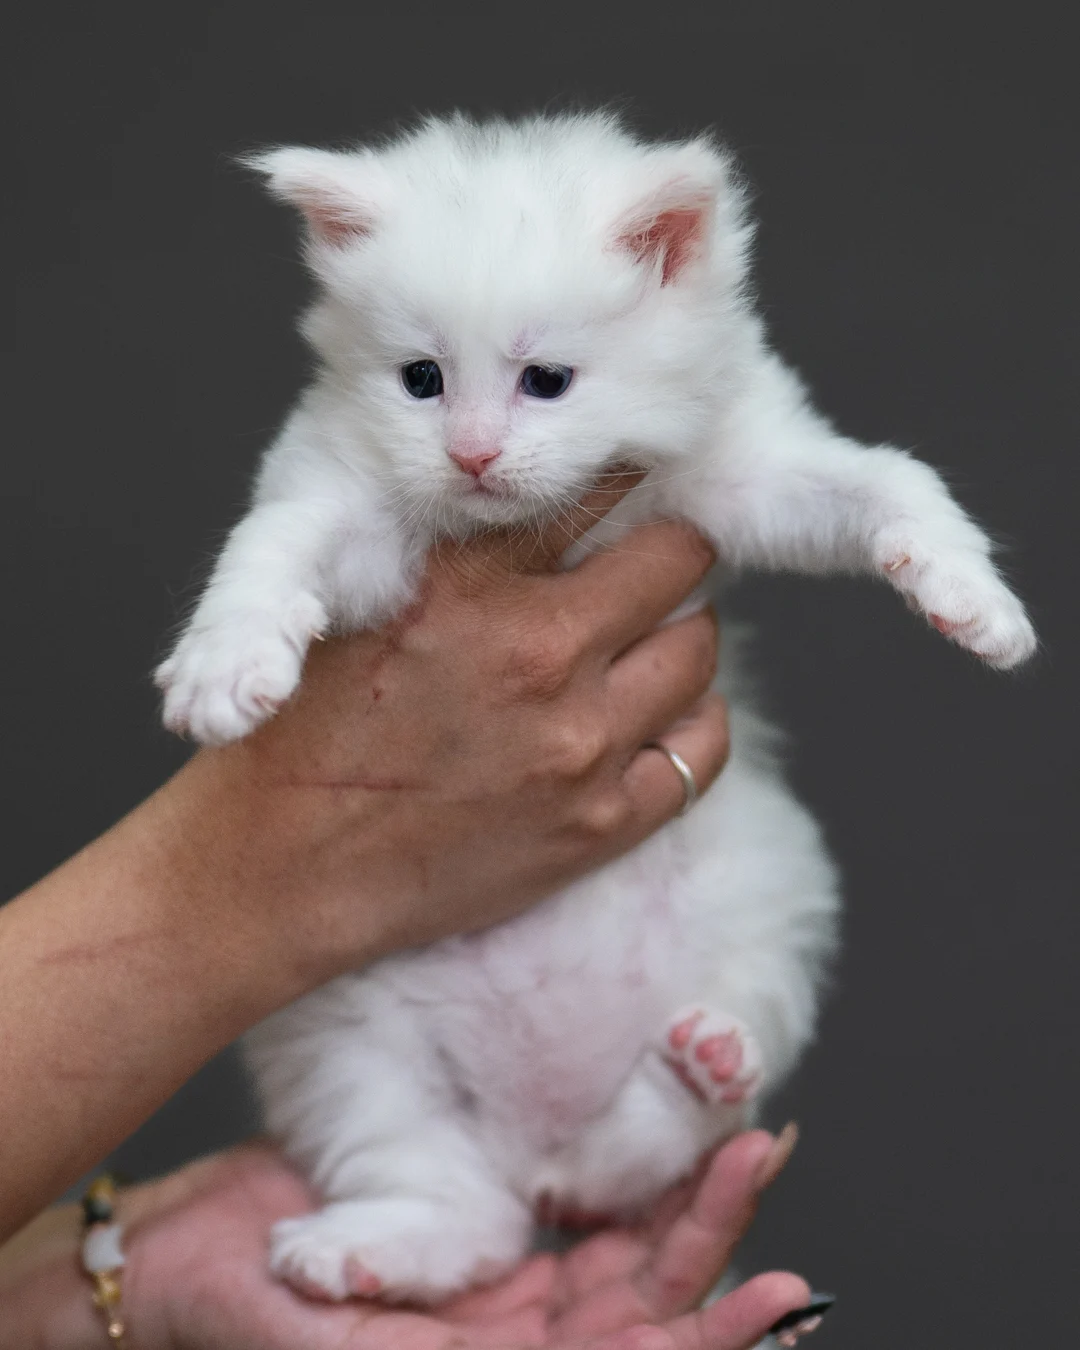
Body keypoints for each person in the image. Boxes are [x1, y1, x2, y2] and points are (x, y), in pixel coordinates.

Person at [0, 479, 822, 1347]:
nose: (479, 447)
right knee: (327, 1017)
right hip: (423, 1014)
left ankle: (658, 1120)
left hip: (650, 951)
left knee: (766, 899)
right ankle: (424, 1195)